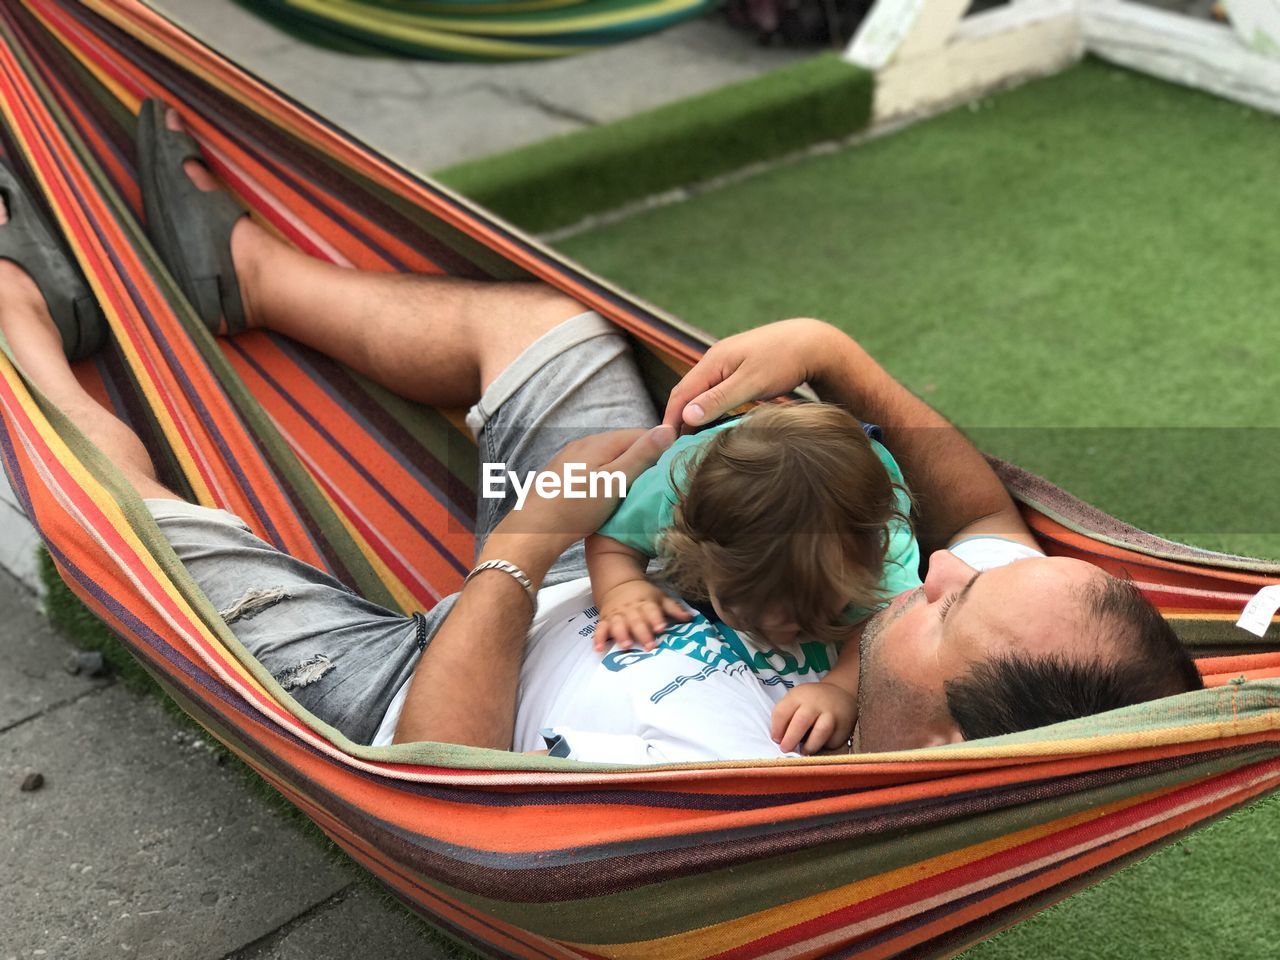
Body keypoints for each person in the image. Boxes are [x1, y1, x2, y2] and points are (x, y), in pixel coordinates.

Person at [0, 106, 1204, 763]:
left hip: (420, 687)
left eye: (948, 608)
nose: (938, 567)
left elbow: (448, 773)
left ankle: (24, 326)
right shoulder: (976, 623)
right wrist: (837, 354)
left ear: (943, 746)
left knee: (133, 530)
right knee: (554, 331)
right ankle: (245, 274)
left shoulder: (752, 809)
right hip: (610, 545)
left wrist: (531, 539)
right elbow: (984, 523)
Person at [586, 400, 919, 755]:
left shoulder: (882, 542)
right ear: (695, 549)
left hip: (844, 473)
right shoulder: (669, 496)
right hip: (729, 452)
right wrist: (621, 587)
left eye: (812, 615)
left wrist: (840, 688)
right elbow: (610, 539)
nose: (781, 636)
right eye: (746, 613)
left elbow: (890, 624)